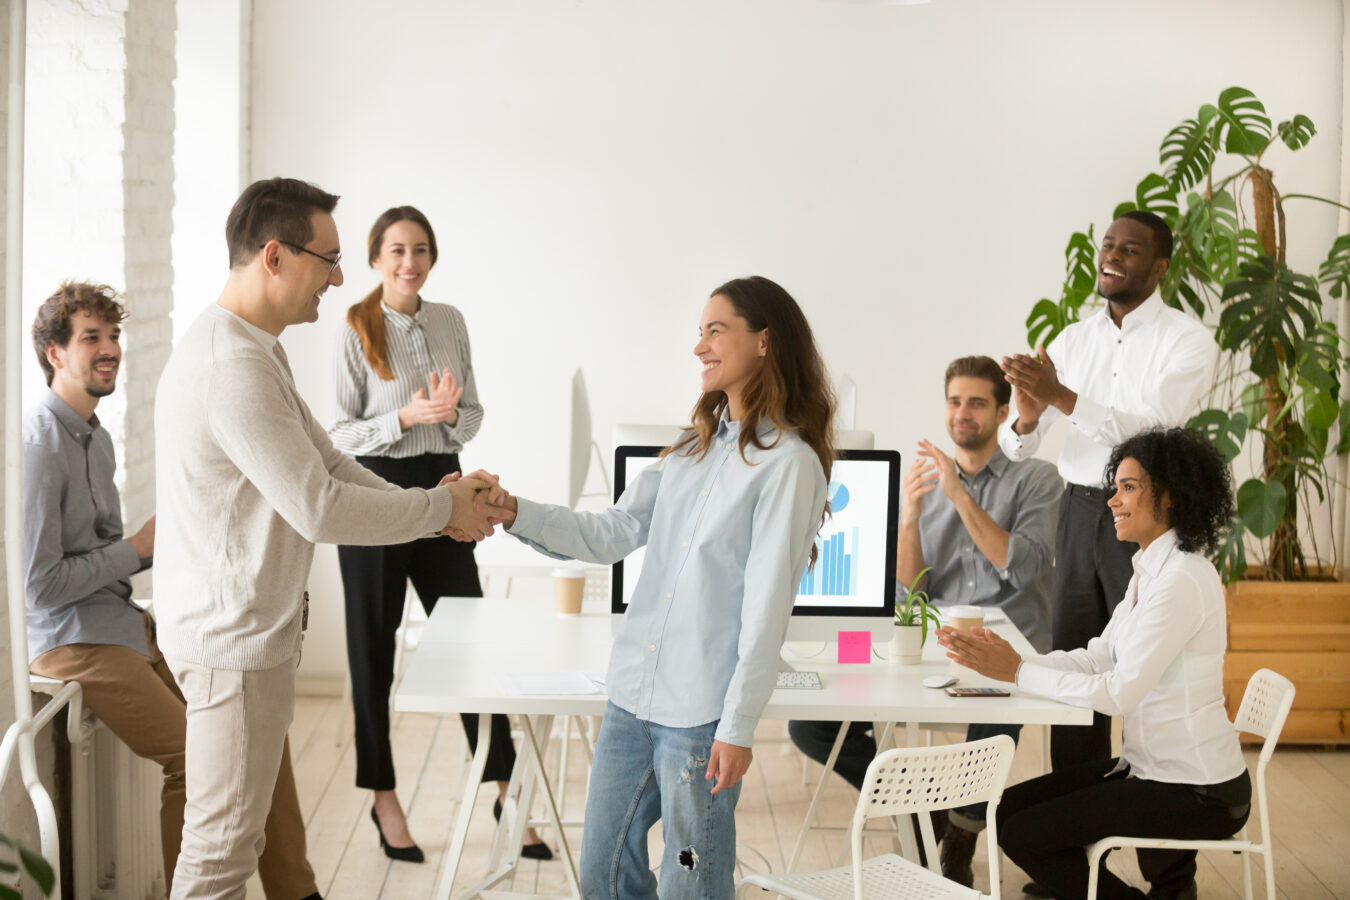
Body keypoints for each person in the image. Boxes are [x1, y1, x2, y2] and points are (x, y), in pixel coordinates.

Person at [153, 177, 501, 897]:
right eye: (329, 259)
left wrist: (437, 505)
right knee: (219, 854)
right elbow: (318, 506)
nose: (340, 279)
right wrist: (438, 509)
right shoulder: (232, 367)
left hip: (246, 636)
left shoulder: (255, 349)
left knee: (238, 839)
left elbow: (329, 461)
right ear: (275, 256)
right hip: (230, 643)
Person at [480, 276, 831, 899]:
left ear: (763, 341)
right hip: (632, 701)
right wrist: (514, 512)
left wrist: (737, 727)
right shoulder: (694, 448)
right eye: (700, 332)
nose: (699, 347)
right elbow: (612, 531)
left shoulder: (789, 464)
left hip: (701, 719)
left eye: (715, 331)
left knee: (691, 882)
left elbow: (766, 608)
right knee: (603, 872)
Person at [22, 283, 323, 900]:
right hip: (71, 641)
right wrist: (135, 549)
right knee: (197, 762)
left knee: (258, 733)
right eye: (91, 338)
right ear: (54, 353)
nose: (110, 349)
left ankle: (299, 892)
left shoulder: (96, 437)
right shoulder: (38, 446)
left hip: (121, 621)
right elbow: (38, 586)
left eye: (113, 336)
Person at [939, 427, 1249, 900]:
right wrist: (1017, 662)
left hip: (1198, 789)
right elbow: (1098, 656)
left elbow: (1118, 692)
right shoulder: (1149, 571)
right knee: (1006, 813)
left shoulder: (1182, 580)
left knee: (1022, 833)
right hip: (1148, 769)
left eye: (1129, 487)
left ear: (1169, 496)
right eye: (1115, 486)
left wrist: (1017, 672)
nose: (1112, 501)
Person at [787, 354, 1061, 886]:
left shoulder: (1037, 479)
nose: (963, 413)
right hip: (935, 643)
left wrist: (958, 493)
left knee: (999, 704)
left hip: (1008, 643)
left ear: (1003, 411)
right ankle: (919, 808)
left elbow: (1022, 566)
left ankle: (961, 833)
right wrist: (909, 518)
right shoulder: (923, 483)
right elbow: (907, 594)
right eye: (955, 401)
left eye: (977, 403)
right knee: (810, 726)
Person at [329, 206, 547, 861]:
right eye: (397, 250)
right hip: (372, 491)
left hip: (444, 484)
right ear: (376, 257)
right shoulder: (354, 326)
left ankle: (505, 791)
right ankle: (382, 797)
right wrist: (404, 417)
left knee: (468, 640)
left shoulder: (450, 320)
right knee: (372, 650)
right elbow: (338, 433)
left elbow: (472, 414)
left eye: (420, 249)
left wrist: (448, 418)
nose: (409, 262)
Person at [998, 210, 1219, 776]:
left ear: (1160, 267)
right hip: (1077, 511)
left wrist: (1062, 396)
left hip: (1147, 512)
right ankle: (1075, 808)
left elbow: (1153, 431)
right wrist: (1028, 415)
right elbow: (1019, 446)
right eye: (1109, 245)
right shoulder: (1073, 341)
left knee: (1145, 666)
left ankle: (1154, 799)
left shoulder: (1188, 340)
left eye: (1131, 249)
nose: (1113, 256)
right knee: (1077, 651)